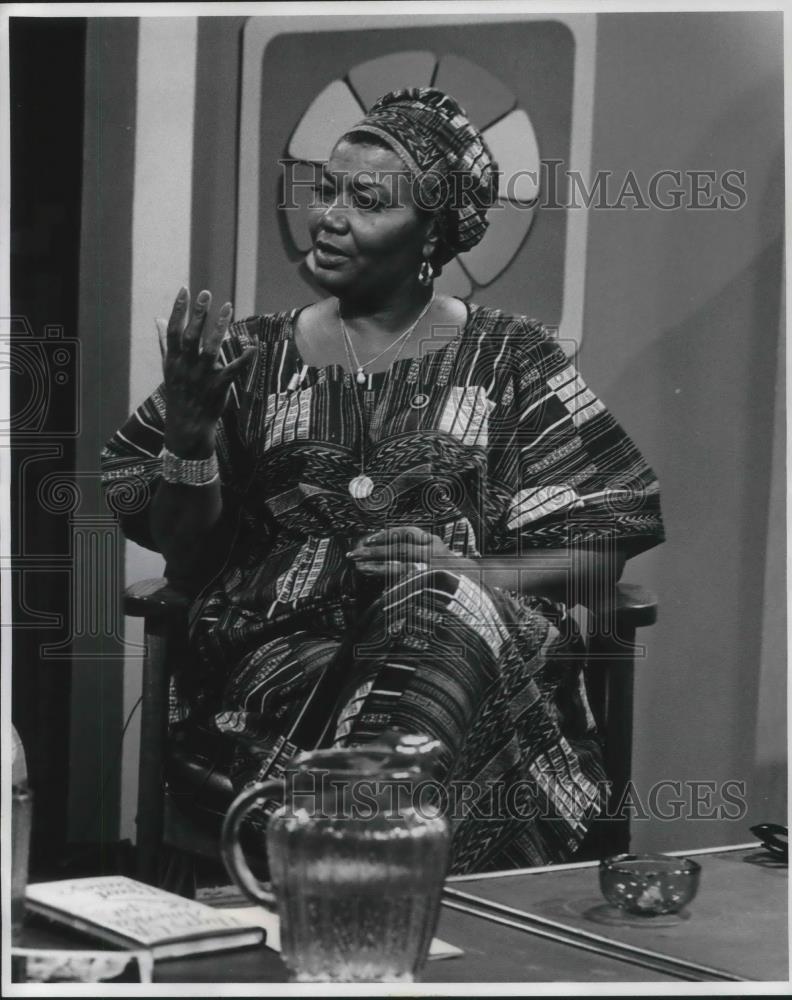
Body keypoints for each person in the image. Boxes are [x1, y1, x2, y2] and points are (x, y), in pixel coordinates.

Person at [101, 88, 664, 873]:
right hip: (288, 664)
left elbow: (607, 531)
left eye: (366, 201)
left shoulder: (510, 357)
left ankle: (348, 869)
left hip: (476, 651)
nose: (329, 216)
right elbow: (188, 560)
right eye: (326, 190)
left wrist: (474, 574)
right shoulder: (251, 357)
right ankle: (386, 884)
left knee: (438, 606)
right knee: (426, 637)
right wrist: (191, 437)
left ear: (431, 230)